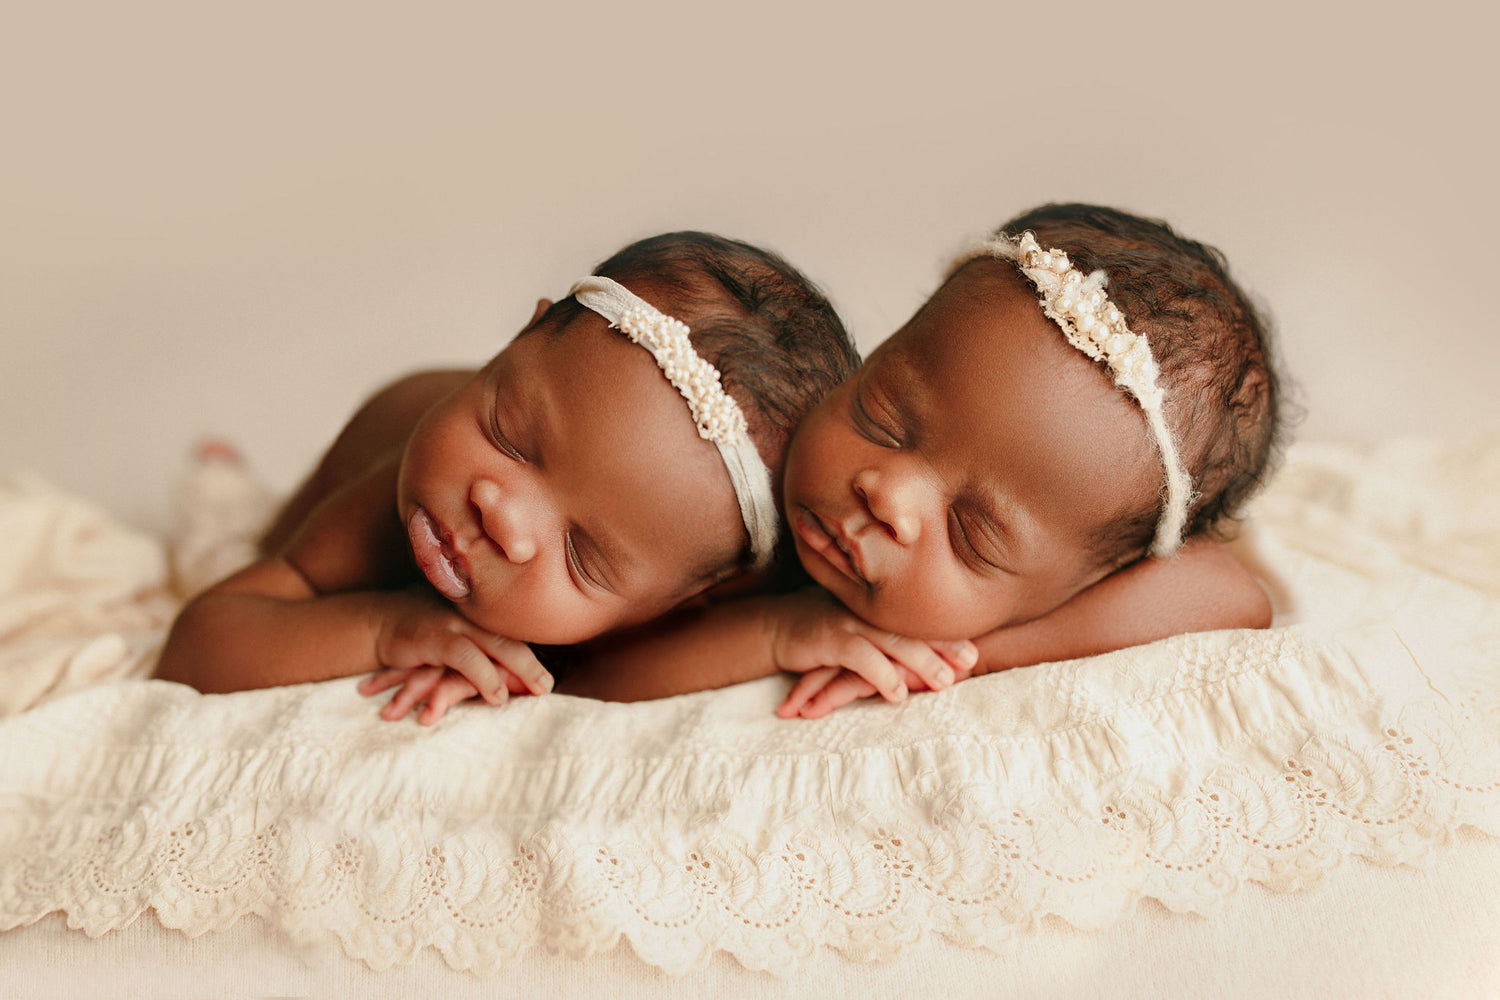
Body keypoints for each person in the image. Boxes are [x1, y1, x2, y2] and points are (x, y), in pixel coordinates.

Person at [369, 204, 1279, 722]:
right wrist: (781, 633)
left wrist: (965, 650)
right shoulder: (737, 478)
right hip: (398, 437)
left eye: (971, 533)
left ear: (1085, 575)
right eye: (884, 417)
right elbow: (588, 669)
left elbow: (1230, 592)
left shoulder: (1061, 549)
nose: (885, 494)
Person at [154, 231, 876, 711]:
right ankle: (228, 482)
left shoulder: (663, 537)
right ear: (521, 335)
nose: (501, 515)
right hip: (350, 473)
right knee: (230, 535)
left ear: (675, 607)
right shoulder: (405, 494)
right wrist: (386, 625)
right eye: (509, 436)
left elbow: (603, 677)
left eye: (581, 556)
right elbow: (200, 643)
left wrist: (787, 633)